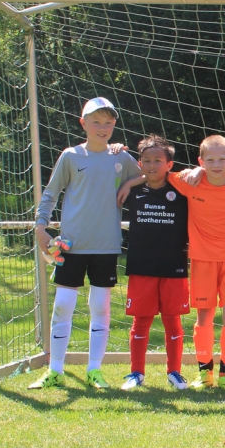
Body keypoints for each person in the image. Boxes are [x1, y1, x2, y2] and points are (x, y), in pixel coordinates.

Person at [30, 97, 142, 390]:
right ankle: (55, 370)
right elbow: (51, 193)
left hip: (106, 247)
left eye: (108, 123)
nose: (102, 128)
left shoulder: (121, 158)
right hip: (71, 246)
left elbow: (149, 174)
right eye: (96, 122)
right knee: (63, 307)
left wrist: (129, 182)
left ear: (114, 125)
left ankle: (95, 370)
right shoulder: (71, 156)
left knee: (100, 308)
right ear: (83, 124)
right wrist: (41, 227)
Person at [119, 135, 190, 391]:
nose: (152, 165)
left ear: (169, 165)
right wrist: (131, 180)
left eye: (158, 161)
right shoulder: (133, 191)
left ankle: (175, 372)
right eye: (146, 161)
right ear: (140, 163)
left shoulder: (181, 190)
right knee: (141, 321)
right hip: (141, 265)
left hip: (174, 265)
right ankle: (136, 373)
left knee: (172, 320)